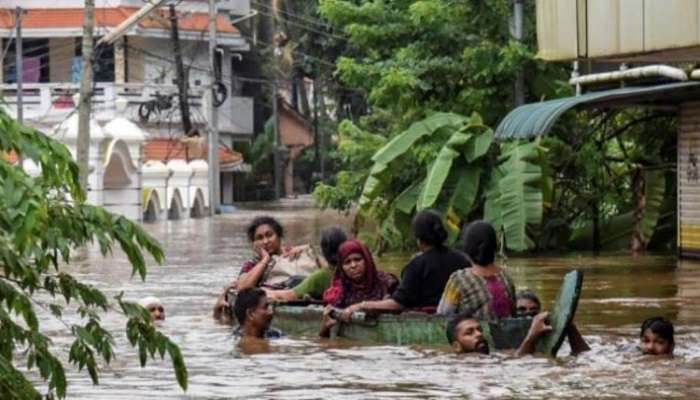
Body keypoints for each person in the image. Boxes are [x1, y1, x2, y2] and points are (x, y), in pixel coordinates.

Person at [338, 210, 469, 318]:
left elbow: (398, 304)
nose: (353, 265)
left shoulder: (416, 265)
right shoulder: (462, 259)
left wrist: (362, 305)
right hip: (460, 318)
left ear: (418, 239)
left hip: (425, 319)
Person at [213, 216, 317, 322]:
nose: (266, 241)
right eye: (260, 238)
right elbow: (242, 289)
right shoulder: (252, 265)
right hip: (281, 297)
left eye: (269, 235)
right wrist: (265, 260)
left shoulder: (296, 252)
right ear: (254, 243)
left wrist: (309, 250)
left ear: (279, 236)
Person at [437, 221, 516, 320]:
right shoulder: (506, 278)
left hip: (473, 333)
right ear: (494, 247)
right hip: (505, 332)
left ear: (467, 248)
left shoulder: (459, 280)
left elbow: (443, 315)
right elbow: (513, 313)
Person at [265, 227, 347, 302]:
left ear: (323, 251)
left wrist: (264, 292)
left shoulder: (320, 276)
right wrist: (310, 249)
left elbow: (290, 295)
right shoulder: (350, 268)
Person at [323, 239, 399, 311]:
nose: (353, 265)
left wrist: (363, 306)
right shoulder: (341, 291)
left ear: (367, 260)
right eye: (347, 262)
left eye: (357, 259)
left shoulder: (387, 283)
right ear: (341, 267)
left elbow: (400, 303)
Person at [515, 289, 590, 355]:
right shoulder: (505, 337)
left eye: (533, 309)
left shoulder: (548, 331)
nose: (528, 313)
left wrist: (570, 325)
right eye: (521, 309)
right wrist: (532, 336)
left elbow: (584, 354)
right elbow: (517, 362)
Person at [447, 311, 553, 356]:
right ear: (457, 347)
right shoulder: (466, 365)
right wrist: (532, 335)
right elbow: (518, 362)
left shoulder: (494, 355)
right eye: (469, 333)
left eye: (479, 329)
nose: (479, 334)